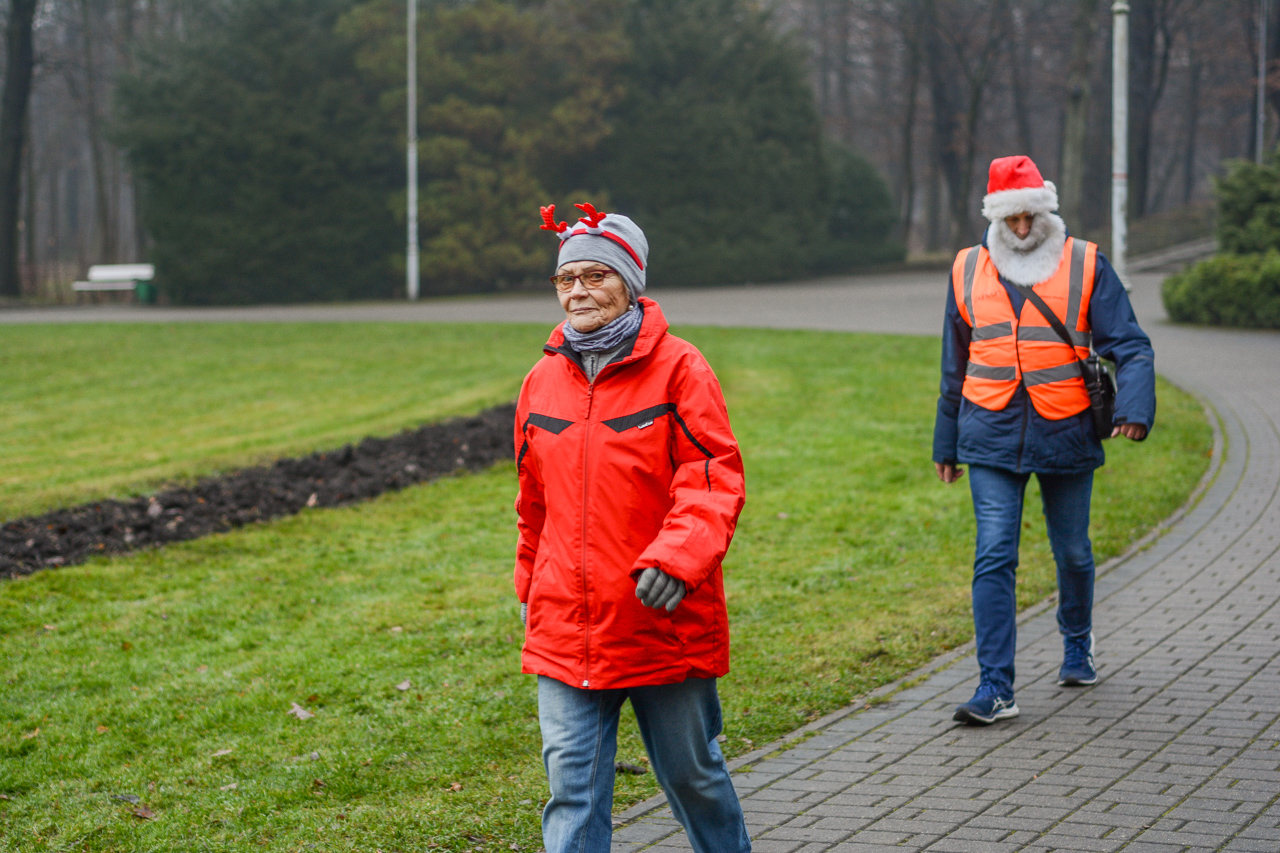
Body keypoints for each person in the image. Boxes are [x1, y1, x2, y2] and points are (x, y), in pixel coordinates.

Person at [514, 202, 751, 853]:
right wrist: (531, 580)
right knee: (572, 788)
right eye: (567, 279)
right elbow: (532, 499)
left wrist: (677, 558)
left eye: (595, 275)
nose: (579, 291)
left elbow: (712, 478)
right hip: (568, 622)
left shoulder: (681, 368)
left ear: (629, 283)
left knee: (692, 777)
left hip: (661, 616)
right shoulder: (540, 381)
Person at [933, 156, 1156, 726]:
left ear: (1046, 210)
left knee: (1074, 552)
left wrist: (1133, 406)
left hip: (1066, 430)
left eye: (1033, 217)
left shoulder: (1084, 263)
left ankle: (1077, 642)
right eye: (1014, 220)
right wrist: (945, 442)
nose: (1025, 230)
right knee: (994, 554)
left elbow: (1130, 344)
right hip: (989, 432)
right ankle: (995, 687)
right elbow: (953, 365)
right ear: (997, 218)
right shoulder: (966, 268)